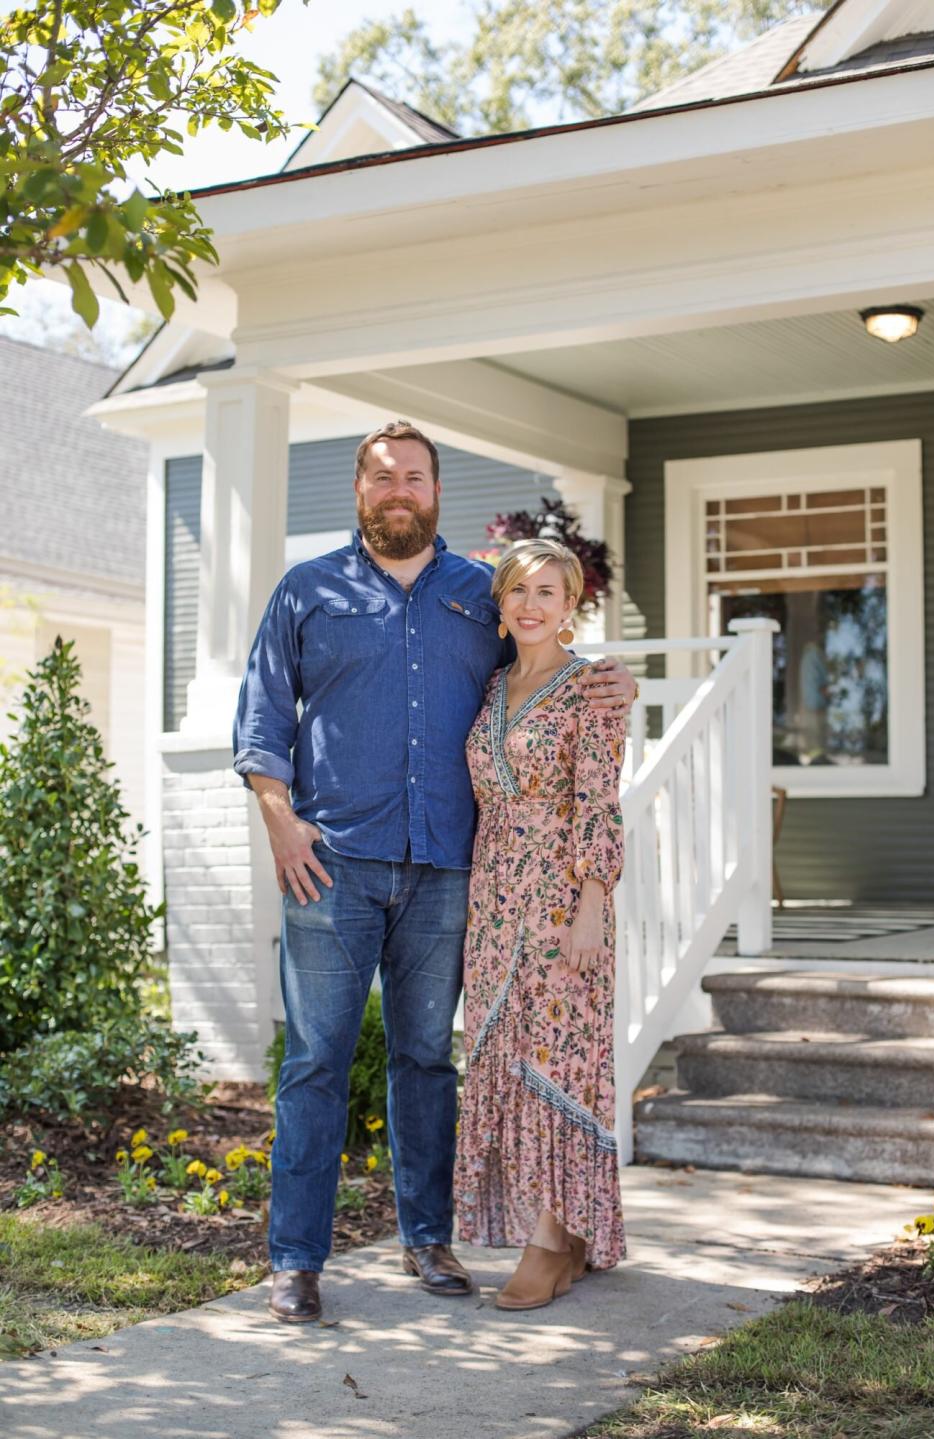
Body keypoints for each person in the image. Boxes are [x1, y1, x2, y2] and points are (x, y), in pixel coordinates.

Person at [233, 420, 636, 1324]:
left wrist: (620, 683)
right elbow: (260, 716)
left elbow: (547, 679)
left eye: (414, 476)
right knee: (314, 1062)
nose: (398, 490)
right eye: (383, 478)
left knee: (426, 1059)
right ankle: (296, 1258)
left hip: (453, 871)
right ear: (361, 491)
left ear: (436, 492)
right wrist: (279, 823)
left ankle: (428, 1237)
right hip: (330, 864)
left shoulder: (478, 595)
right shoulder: (308, 589)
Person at [453, 538, 626, 1310]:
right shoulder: (490, 688)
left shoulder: (591, 689)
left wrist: (592, 907)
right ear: (502, 601)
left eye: (548, 592)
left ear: (571, 604)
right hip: (494, 903)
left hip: (562, 900)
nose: (531, 604)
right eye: (519, 590)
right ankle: (565, 1231)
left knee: (560, 1063)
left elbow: (598, 804)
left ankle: (552, 1245)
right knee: (510, 1061)